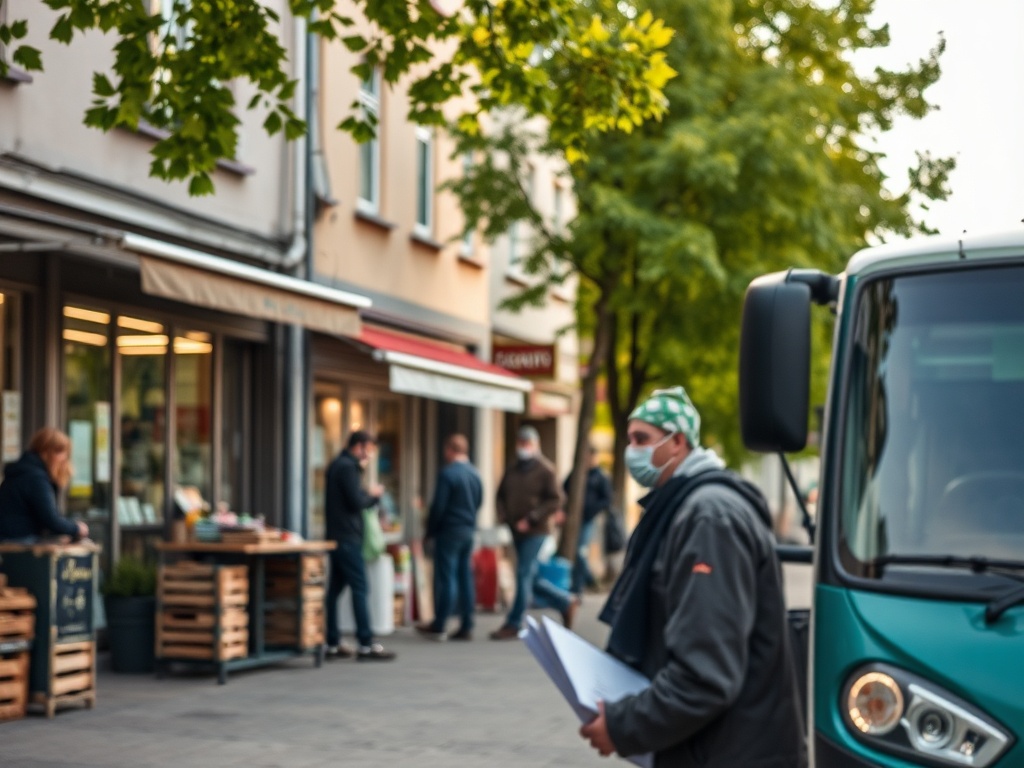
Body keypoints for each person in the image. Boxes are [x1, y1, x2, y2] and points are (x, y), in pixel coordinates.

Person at [580, 386, 806, 767]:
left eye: (641, 439)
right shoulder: (687, 508)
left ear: (677, 443)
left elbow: (704, 675)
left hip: (732, 754)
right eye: (628, 439)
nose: (631, 451)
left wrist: (623, 726)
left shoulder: (708, 519)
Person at [489, 425, 580, 640]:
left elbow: (556, 499)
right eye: (521, 443)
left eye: (527, 444)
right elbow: (500, 494)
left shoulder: (545, 470)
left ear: (535, 445)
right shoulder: (513, 469)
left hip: (536, 530)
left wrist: (532, 518)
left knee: (522, 573)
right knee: (531, 575)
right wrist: (503, 514)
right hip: (514, 530)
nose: (523, 447)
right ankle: (565, 602)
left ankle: (513, 622)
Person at [323, 429, 396, 661]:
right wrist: (373, 495)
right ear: (359, 446)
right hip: (348, 537)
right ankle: (365, 643)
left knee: (334, 591)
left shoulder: (337, 465)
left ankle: (333, 642)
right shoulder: (347, 467)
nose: (371, 455)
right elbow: (356, 502)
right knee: (360, 587)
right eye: (370, 449)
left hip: (337, 535)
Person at [416, 433, 483, 642]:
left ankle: (440, 623)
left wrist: (429, 531)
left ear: (450, 450)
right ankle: (467, 623)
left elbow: (438, 507)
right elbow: (480, 500)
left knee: (447, 578)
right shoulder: (475, 474)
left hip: (449, 531)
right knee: (465, 577)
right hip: (468, 530)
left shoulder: (448, 474)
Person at [0, 427, 88, 543]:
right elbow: (51, 520)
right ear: (45, 453)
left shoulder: (23, 471)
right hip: (19, 542)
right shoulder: (35, 478)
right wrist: (77, 528)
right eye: (59, 452)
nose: (64, 458)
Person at [562, 444, 612, 595]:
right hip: (573, 520)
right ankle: (578, 585)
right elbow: (564, 489)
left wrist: (591, 510)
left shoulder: (600, 477)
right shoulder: (577, 474)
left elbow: (607, 500)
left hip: (589, 520)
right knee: (573, 553)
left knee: (580, 552)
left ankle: (586, 582)